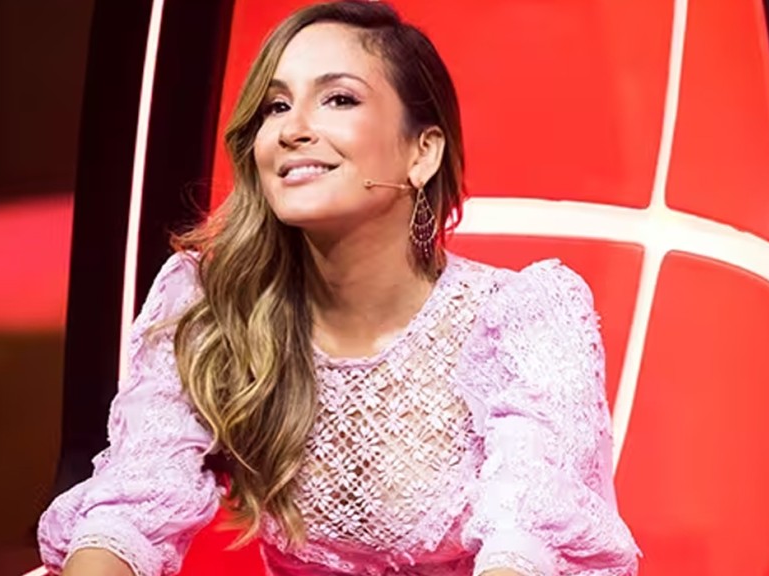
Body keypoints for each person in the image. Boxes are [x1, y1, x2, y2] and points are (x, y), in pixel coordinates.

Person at [37, 1, 641, 575]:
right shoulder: (210, 304)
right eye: (276, 107)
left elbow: (525, 540)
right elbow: (129, 511)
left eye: (338, 99)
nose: (293, 129)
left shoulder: (524, 318)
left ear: (422, 152)